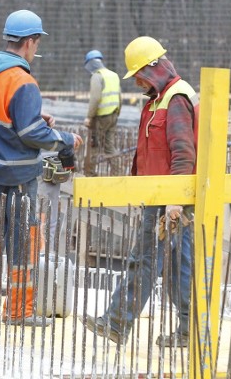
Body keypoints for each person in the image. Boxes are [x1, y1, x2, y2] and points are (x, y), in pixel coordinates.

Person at [0, 9, 82, 326]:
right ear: (30, 42)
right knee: (24, 243)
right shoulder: (24, 81)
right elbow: (29, 133)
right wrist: (64, 138)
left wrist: (34, 116)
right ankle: (19, 312)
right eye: (37, 43)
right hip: (18, 177)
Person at [83, 36, 198, 348]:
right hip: (163, 195)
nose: (135, 81)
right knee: (178, 267)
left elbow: (184, 153)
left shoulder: (175, 99)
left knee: (144, 259)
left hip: (170, 197)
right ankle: (191, 330)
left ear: (153, 67)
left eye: (138, 74)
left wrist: (173, 200)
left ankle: (116, 322)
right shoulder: (159, 97)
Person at [83, 49, 121, 174]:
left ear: (90, 63)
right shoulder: (113, 75)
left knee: (95, 146)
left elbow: (95, 98)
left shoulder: (97, 76)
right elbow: (119, 97)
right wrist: (116, 114)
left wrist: (89, 117)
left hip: (101, 117)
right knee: (109, 147)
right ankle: (117, 174)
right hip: (114, 115)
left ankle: (91, 175)